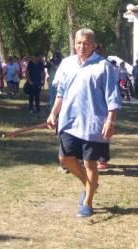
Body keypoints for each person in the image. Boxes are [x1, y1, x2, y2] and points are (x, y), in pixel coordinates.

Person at [45, 28, 121, 218]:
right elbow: (60, 93)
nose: (81, 46)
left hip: (93, 123)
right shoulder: (67, 64)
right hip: (69, 120)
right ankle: (90, 185)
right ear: (74, 43)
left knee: (90, 163)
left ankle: (87, 202)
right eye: (78, 43)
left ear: (93, 45)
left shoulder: (104, 66)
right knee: (65, 158)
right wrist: (53, 113)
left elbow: (113, 97)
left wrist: (111, 121)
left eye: (86, 43)